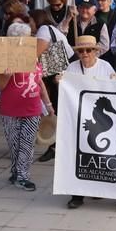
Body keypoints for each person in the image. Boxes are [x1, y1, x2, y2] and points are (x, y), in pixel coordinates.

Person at [0, 22, 54, 191]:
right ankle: (16, 171)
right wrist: (6, 76)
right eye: (27, 37)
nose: (30, 40)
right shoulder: (3, 57)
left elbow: (39, 81)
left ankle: (23, 176)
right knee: (14, 144)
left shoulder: (33, 56)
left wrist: (48, 104)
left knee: (27, 143)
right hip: (10, 109)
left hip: (32, 107)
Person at [65, 35, 116, 209]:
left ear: (96, 51)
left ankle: (96, 188)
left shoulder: (105, 67)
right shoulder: (72, 68)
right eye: (81, 51)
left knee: (97, 155)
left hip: (100, 120)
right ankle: (77, 195)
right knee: (77, 156)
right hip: (77, 117)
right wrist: (61, 83)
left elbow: (114, 88)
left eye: (88, 50)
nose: (84, 54)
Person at [32, 9, 73, 163]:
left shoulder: (43, 30)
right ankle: (57, 146)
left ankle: (55, 147)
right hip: (58, 72)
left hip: (60, 74)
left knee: (57, 109)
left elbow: (34, 54)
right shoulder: (51, 29)